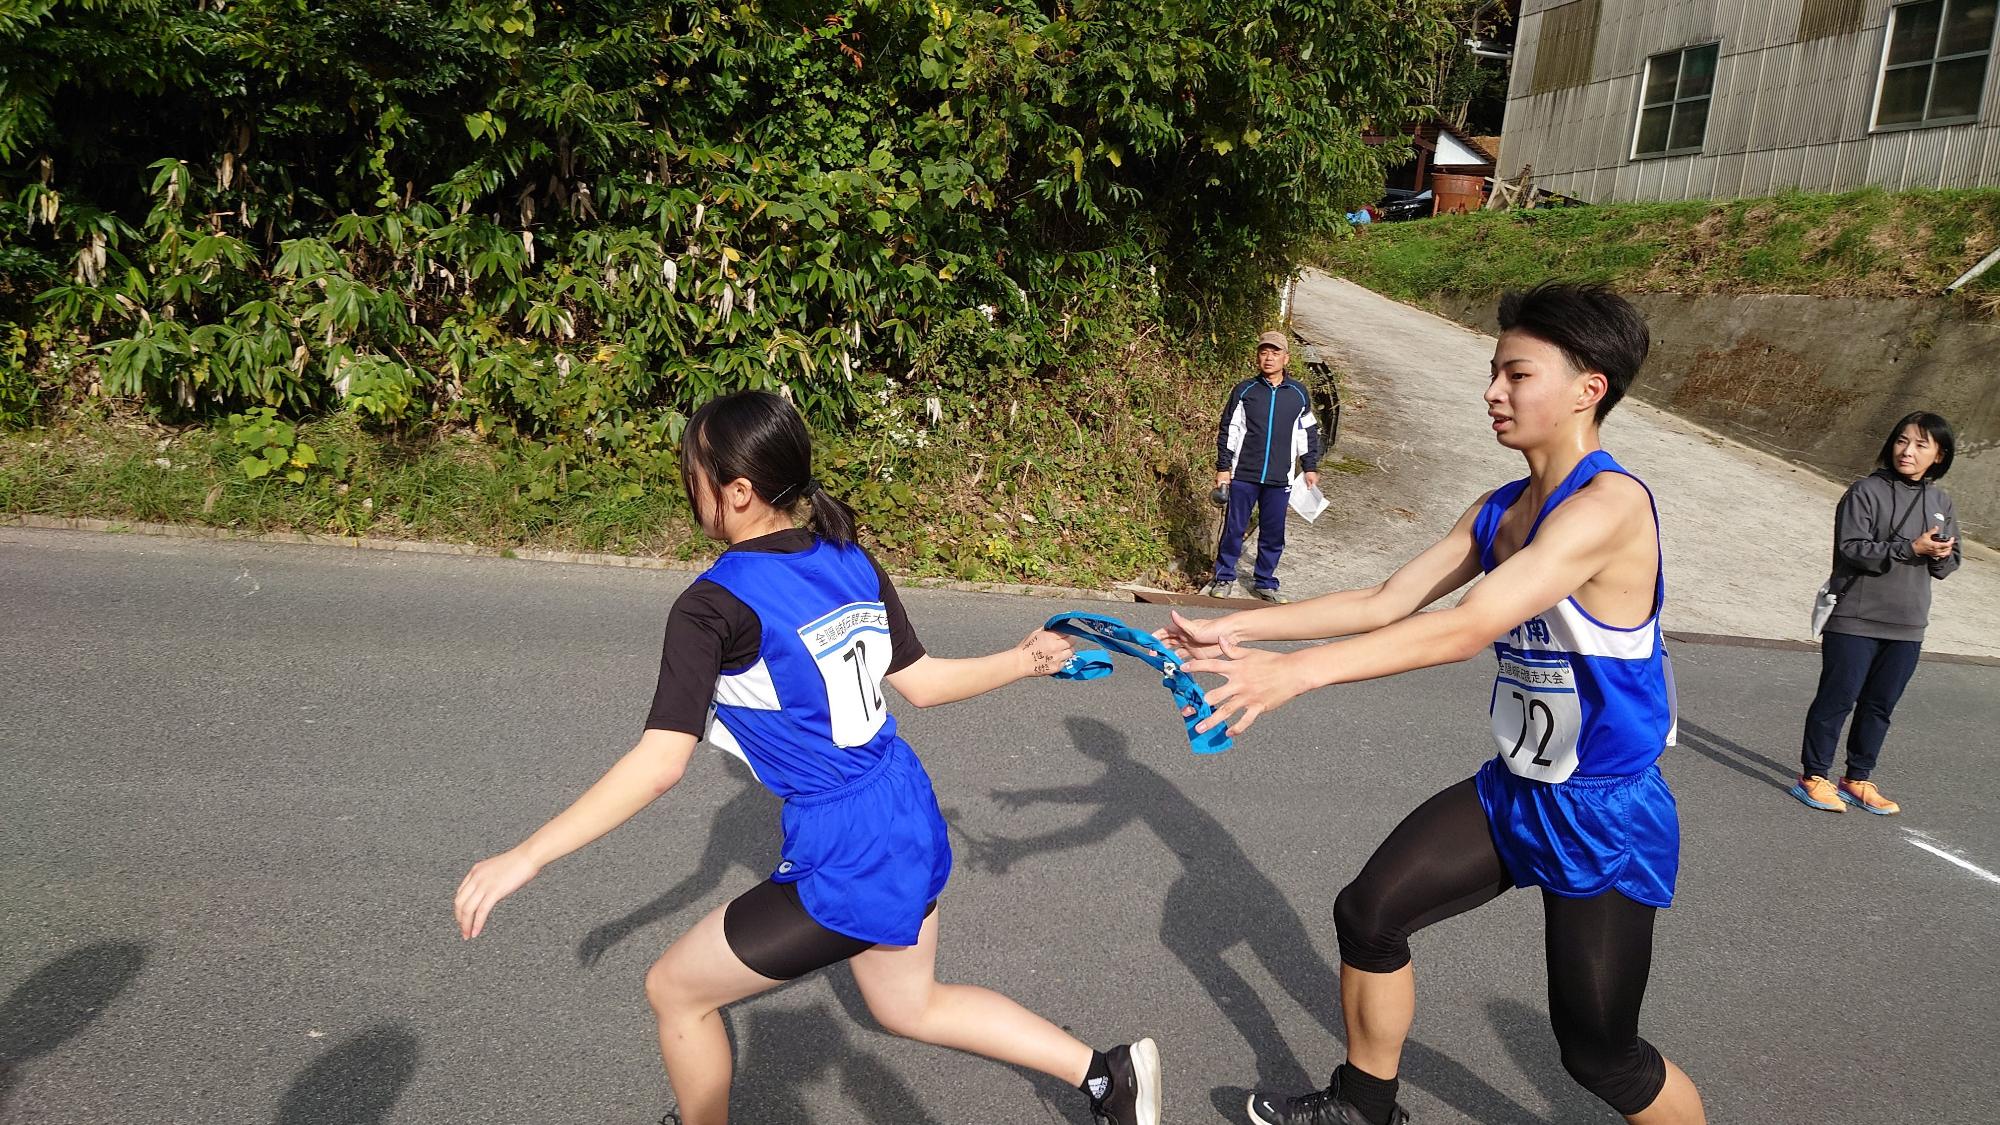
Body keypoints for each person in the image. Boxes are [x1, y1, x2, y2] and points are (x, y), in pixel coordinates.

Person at [454, 390, 1162, 1125]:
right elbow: (922, 683)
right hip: (902, 804)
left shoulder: (710, 606)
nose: (686, 489)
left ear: (736, 490)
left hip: (849, 842)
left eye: (690, 472)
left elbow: (661, 761)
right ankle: (1107, 1076)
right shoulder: (848, 555)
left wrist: (526, 856)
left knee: (675, 989)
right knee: (907, 1002)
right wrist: (1021, 659)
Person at [1162, 283, 1706, 1125]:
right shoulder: (1500, 508)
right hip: (1517, 788)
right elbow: (1387, 598)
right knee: (1370, 913)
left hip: (1603, 812)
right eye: (1494, 371)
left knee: (1600, 1053)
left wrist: (1296, 673)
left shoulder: (1611, 507)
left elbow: (1468, 626)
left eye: (1516, 374)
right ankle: (1366, 1107)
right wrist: (1235, 634)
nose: (1493, 390)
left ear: (1587, 388)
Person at [1792, 411, 1960, 816]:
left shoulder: (1941, 502)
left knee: (1880, 706)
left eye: (1921, 445)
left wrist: (1940, 554)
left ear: (1938, 455)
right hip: (1855, 618)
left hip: (1908, 624)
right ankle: (1814, 776)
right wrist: (1910, 549)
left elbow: (1951, 562)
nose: (1908, 451)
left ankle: (1857, 778)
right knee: (1837, 699)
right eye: (1903, 441)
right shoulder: (1866, 491)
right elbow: (1852, 548)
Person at [1205, 330, 1322, 603]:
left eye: (1275, 352)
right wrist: (1223, 467)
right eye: (1264, 352)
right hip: (1244, 474)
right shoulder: (1245, 390)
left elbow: (1308, 432)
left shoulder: (1298, 393)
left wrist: (1310, 466)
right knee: (1234, 528)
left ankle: (1265, 581)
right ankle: (1224, 577)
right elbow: (1229, 430)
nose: (1268, 358)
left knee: (1273, 532)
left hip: (1280, 478)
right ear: (1258, 356)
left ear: (1286, 358)